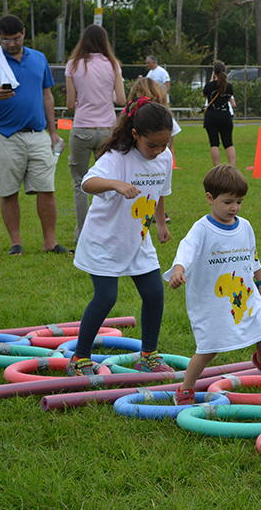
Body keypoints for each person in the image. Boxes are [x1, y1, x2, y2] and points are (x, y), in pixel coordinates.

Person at [66, 97, 175, 376]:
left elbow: (161, 192)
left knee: (154, 294)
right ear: (136, 134)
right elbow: (88, 183)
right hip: (105, 239)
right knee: (106, 297)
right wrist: (115, 183)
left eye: (164, 144)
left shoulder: (164, 157)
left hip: (138, 238)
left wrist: (161, 223)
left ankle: (148, 355)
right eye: (152, 145)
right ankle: (80, 359)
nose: (159, 150)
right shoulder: (117, 157)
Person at [164, 164, 261, 404]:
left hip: (246, 296)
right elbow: (185, 252)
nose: (234, 208)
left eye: (239, 202)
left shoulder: (245, 226)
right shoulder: (202, 229)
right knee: (209, 350)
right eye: (228, 202)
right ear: (210, 198)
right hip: (213, 302)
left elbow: (252, 256)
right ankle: (186, 389)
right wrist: (178, 270)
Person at [0, 14, 69, 256]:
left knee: (46, 189)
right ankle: (16, 243)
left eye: (15, 39)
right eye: (5, 40)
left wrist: (53, 132)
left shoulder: (38, 59)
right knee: (8, 191)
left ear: (24, 33)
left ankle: (50, 242)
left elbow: (47, 96)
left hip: (38, 134)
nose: (11, 44)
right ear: (0, 38)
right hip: (4, 136)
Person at [65, 24, 127, 242]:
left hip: (82, 128)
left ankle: (82, 233)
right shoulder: (113, 65)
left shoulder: (73, 65)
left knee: (80, 183)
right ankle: (107, 230)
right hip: (108, 131)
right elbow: (121, 99)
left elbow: (71, 103)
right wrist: (104, 94)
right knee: (108, 182)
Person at [127, 77, 184, 222]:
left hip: (154, 166)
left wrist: (164, 152)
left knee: (154, 188)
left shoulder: (163, 117)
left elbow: (170, 137)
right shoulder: (132, 118)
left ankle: (157, 213)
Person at [202, 61, 237, 167]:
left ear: (214, 72)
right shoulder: (229, 86)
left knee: (214, 143)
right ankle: (232, 167)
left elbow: (203, 94)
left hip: (211, 116)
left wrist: (211, 81)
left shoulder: (209, 85)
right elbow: (231, 99)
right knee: (228, 143)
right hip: (225, 116)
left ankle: (216, 167)